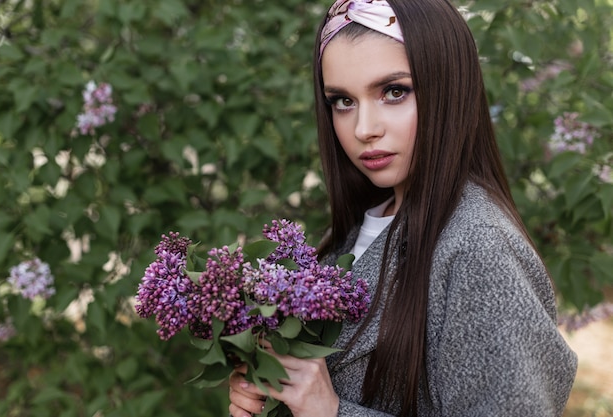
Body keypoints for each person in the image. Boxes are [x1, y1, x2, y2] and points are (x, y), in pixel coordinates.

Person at [228, 0, 578, 416]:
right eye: (343, 101)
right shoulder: (355, 232)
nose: (364, 129)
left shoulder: (479, 250)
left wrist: (330, 411)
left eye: (394, 92)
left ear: (449, 89)